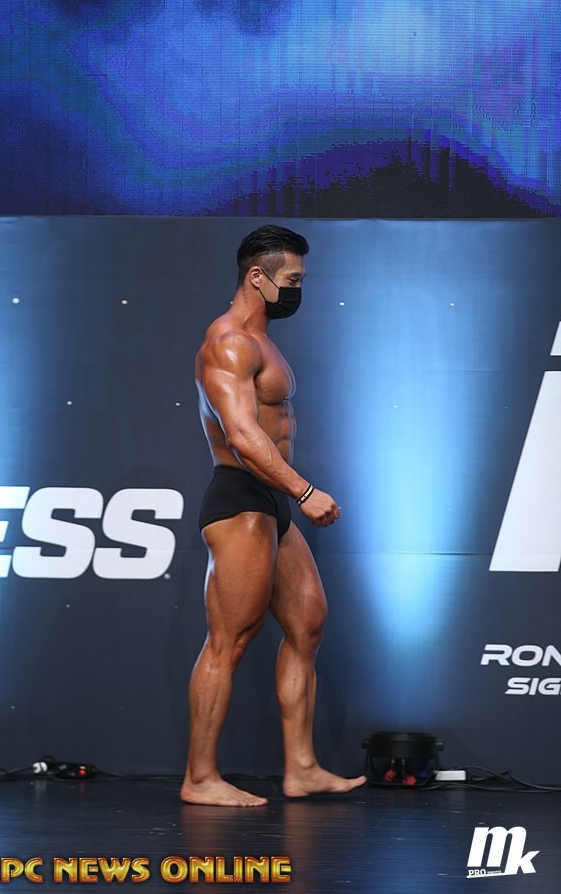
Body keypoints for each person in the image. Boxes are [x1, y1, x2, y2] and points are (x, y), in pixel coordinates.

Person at [181, 225, 366, 807]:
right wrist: (304, 491)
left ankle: (302, 768)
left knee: (307, 622)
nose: (297, 290)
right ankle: (200, 778)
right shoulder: (229, 343)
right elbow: (241, 435)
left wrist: (289, 496)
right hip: (240, 497)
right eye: (292, 280)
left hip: (271, 499)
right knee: (230, 640)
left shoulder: (263, 342)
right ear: (257, 277)